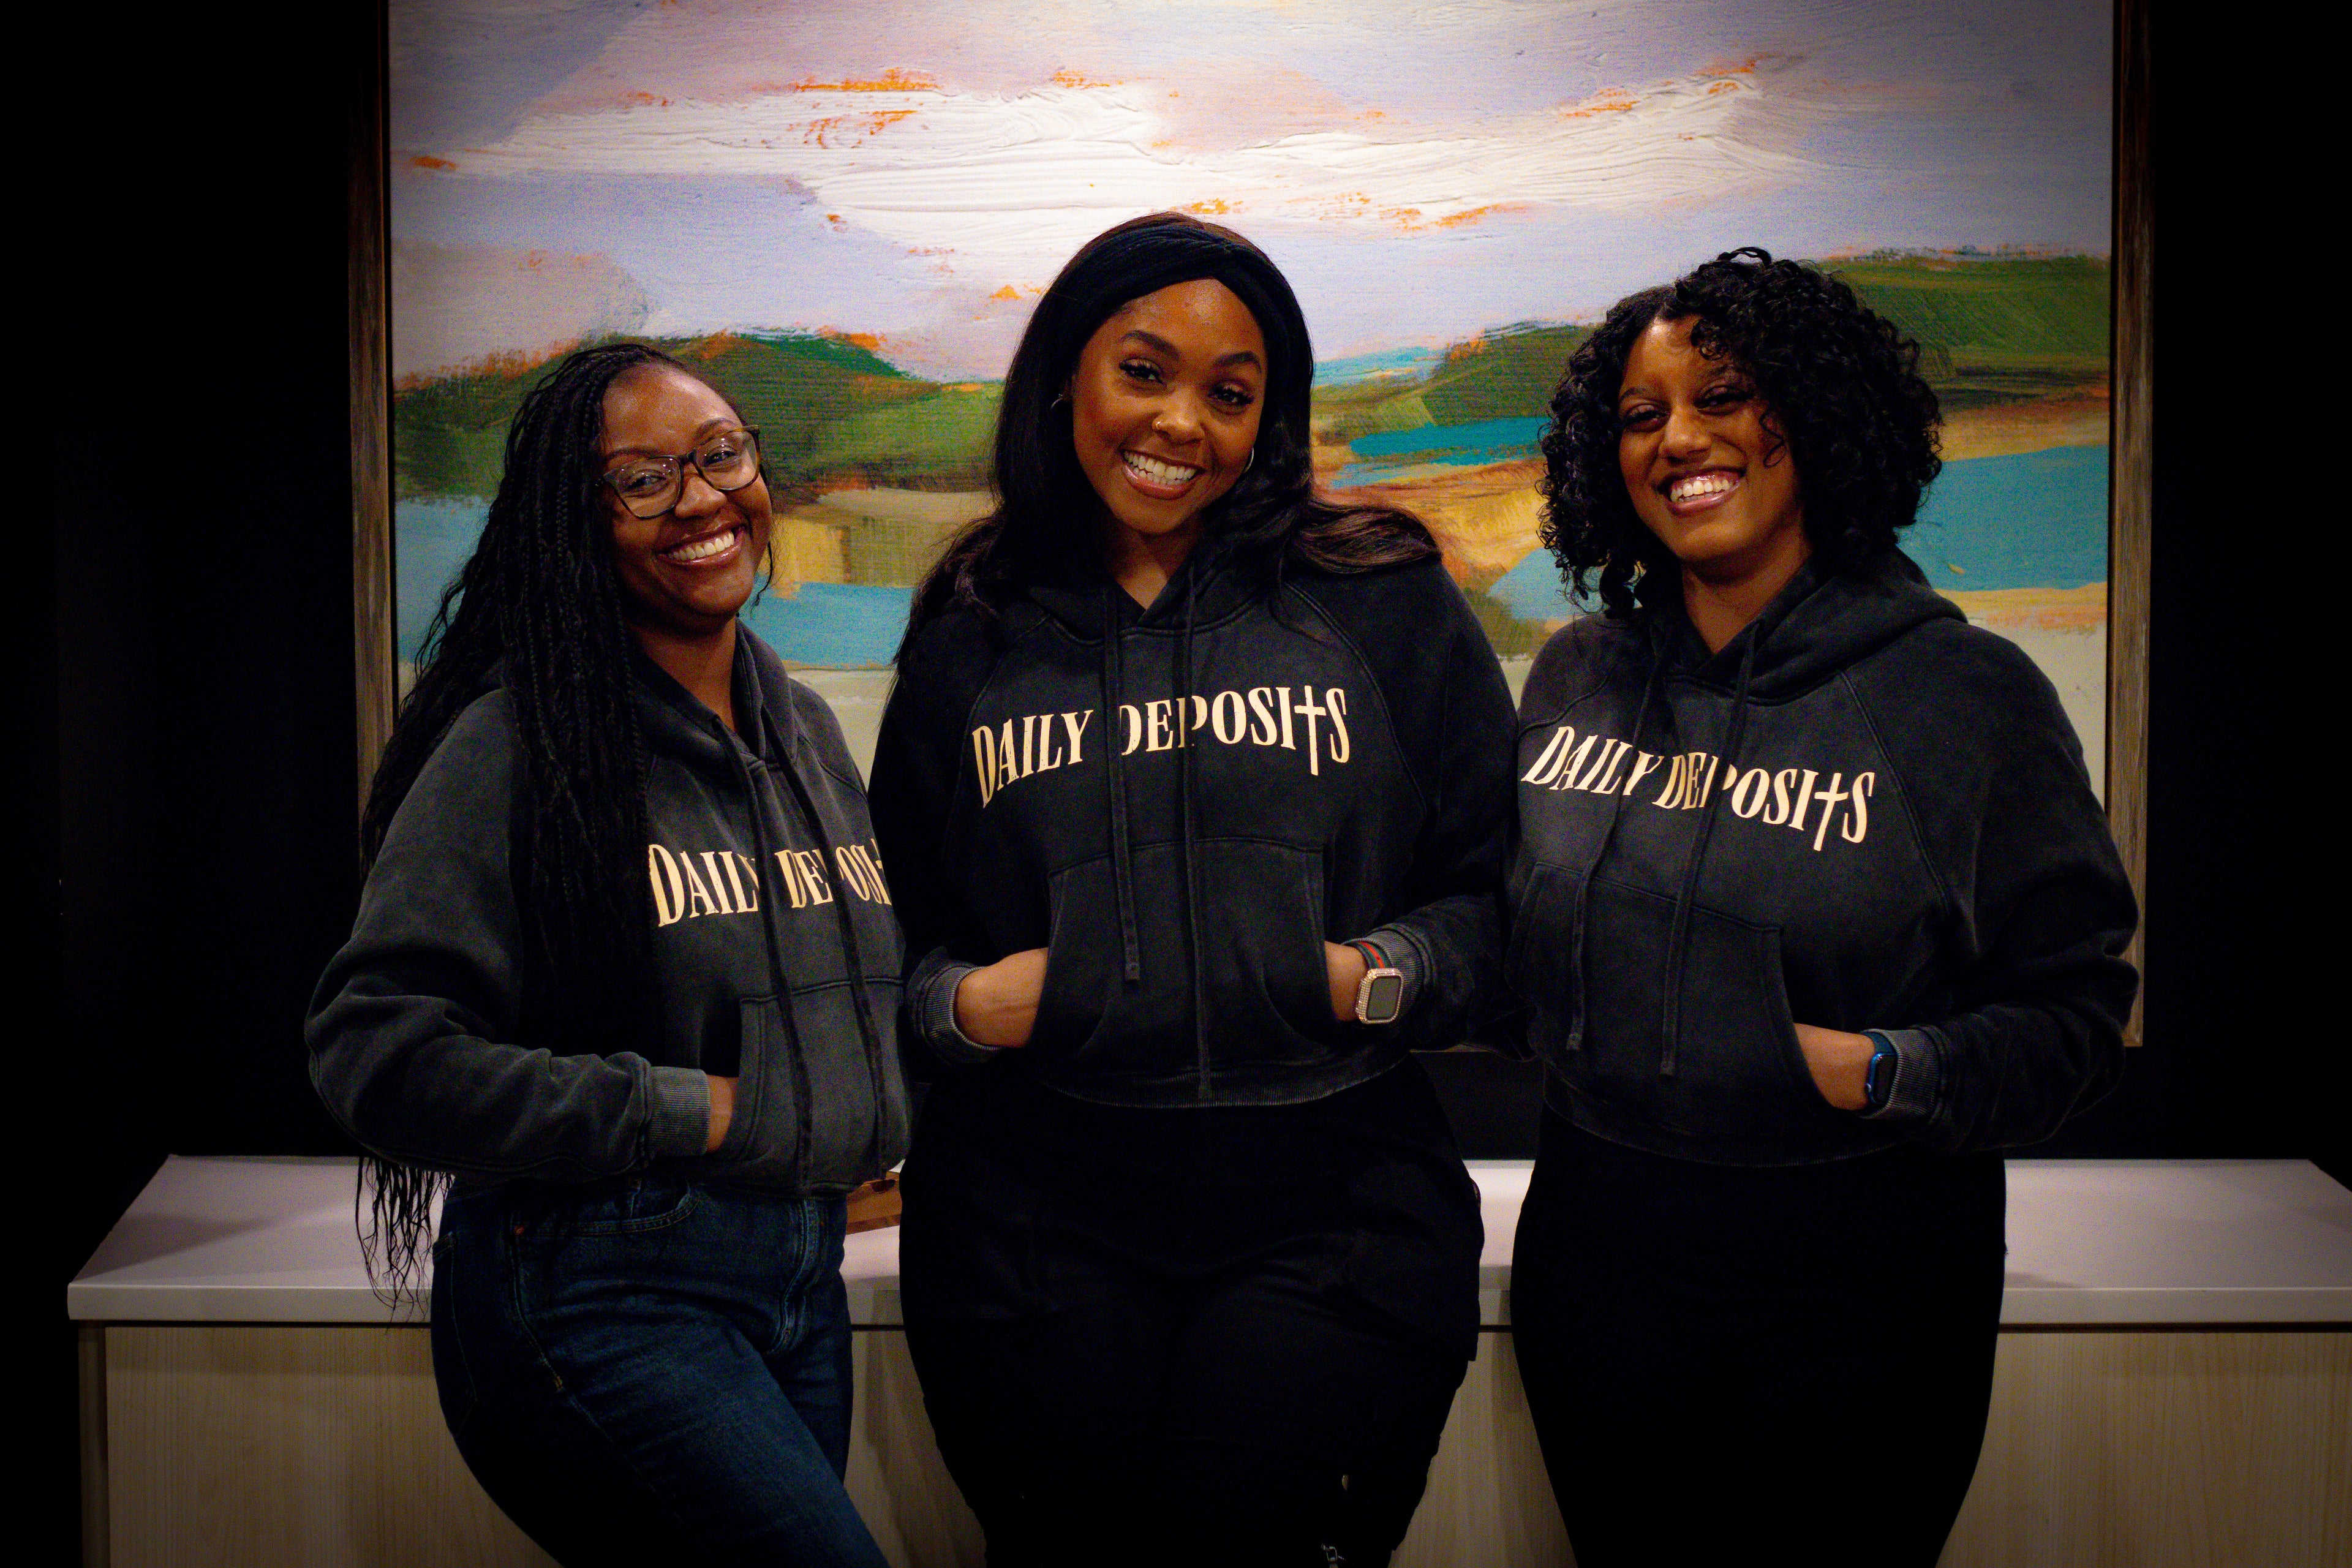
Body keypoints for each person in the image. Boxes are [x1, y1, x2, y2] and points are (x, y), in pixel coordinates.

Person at [867, 213, 1517, 1566]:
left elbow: (1496, 904)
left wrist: (1369, 973)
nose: (1182, 423)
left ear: (1270, 419)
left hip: (1330, 1201)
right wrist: (966, 1006)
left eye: (1231, 393)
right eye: (1143, 371)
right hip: (1034, 1219)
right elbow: (898, 936)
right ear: (1066, 378)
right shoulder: (975, 618)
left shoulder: (1379, 596)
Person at [1501, 247, 2139, 1567]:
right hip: (1600, 1268)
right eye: (1640, 413)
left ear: (1820, 415)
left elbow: (2076, 1005)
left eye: (1726, 394)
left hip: (1864, 1284)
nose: (1681, 438)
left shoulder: (1965, 696)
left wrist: (1886, 1067)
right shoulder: (1575, 680)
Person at [308, 342, 907, 1568]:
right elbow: (377, 1048)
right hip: (598, 1285)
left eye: (719, 456)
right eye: (641, 479)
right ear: (575, 524)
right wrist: (688, 1109)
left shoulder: (801, 732)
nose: (698, 499)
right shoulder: (514, 743)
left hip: (796, 1281)